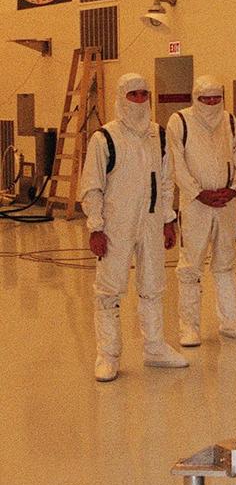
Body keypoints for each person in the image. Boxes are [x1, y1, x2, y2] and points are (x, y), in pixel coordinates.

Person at [78, 72, 188, 382]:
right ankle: (108, 354)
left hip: (151, 223)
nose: (140, 101)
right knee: (109, 289)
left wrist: (168, 220)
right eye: (133, 95)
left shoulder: (159, 135)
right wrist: (95, 227)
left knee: (153, 285)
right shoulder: (105, 138)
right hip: (116, 225)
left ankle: (154, 347)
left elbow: (166, 182)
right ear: (121, 97)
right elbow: (92, 186)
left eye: (144, 94)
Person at [167, 74, 236, 346]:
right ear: (196, 98)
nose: (212, 104)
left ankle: (230, 320)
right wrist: (198, 192)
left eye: (217, 99)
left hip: (226, 204)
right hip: (195, 206)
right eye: (206, 99)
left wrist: (234, 188)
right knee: (191, 265)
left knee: (225, 261)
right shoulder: (179, 122)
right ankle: (188, 326)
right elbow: (176, 163)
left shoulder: (229, 121)